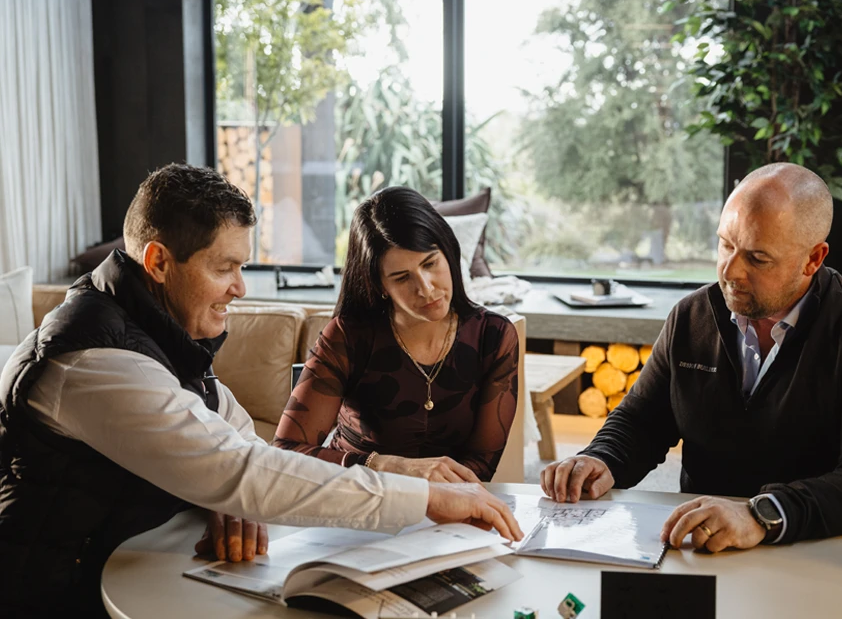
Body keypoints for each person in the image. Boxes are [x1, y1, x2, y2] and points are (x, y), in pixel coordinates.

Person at [0, 164, 522, 618]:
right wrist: (427, 497)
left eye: (241, 266)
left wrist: (230, 497)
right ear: (158, 262)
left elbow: (236, 435)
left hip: (128, 567)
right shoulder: (96, 362)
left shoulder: (158, 333)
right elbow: (242, 468)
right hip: (58, 596)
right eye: (224, 267)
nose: (240, 288)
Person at [542, 162, 842, 552]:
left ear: (813, 259)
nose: (730, 271)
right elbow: (641, 420)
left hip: (813, 551)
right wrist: (602, 459)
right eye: (725, 244)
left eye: (757, 258)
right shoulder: (691, 316)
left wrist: (759, 515)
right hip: (699, 547)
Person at [273, 186, 519, 483]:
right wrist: (384, 466)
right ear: (379, 285)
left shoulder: (493, 336)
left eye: (430, 263)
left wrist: (431, 501)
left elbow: (481, 462)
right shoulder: (347, 336)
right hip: (357, 500)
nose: (426, 288)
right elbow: (286, 452)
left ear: (449, 252)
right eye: (402, 277)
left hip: (448, 509)